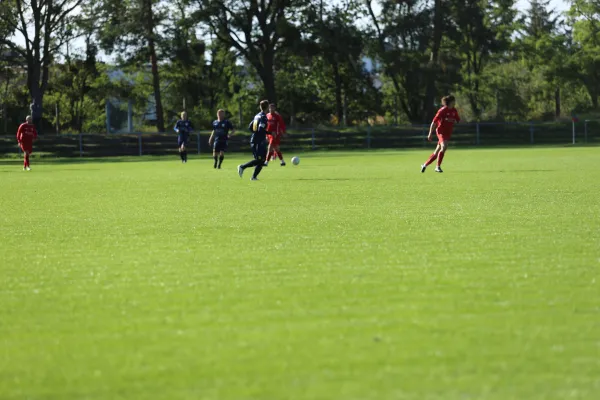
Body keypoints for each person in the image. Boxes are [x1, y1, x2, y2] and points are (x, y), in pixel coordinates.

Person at [421, 95, 460, 173]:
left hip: (448, 133)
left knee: (437, 152)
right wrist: (430, 133)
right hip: (441, 132)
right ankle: (437, 167)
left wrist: (453, 120)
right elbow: (434, 122)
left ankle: (424, 165)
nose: (455, 102)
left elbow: (457, 120)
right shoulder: (442, 111)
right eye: (453, 101)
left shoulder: (454, 110)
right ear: (450, 102)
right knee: (444, 146)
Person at [238, 100, 269, 181]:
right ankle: (242, 167)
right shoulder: (263, 117)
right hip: (258, 141)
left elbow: (250, 126)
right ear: (267, 107)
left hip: (256, 139)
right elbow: (260, 129)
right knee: (259, 160)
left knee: (262, 160)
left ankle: (254, 177)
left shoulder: (257, 115)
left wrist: (255, 133)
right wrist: (269, 133)